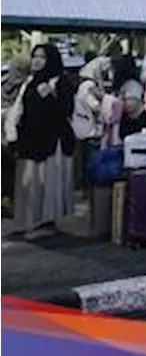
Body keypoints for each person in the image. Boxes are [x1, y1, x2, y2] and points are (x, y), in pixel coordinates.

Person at [2, 44, 76, 240]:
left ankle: (45, 222)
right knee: (29, 183)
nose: (37, 60)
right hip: (30, 142)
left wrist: (51, 94)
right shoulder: (30, 82)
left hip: (52, 143)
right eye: (35, 56)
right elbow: (19, 109)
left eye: (42, 57)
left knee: (47, 183)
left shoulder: (59, 82)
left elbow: (66, 110)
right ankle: (30, 221)